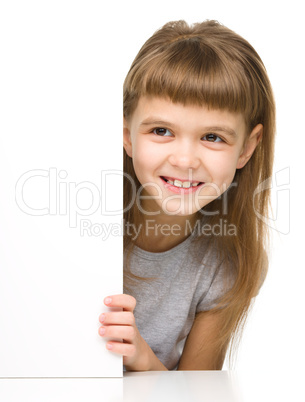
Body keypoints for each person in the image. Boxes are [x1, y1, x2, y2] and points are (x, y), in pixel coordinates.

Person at [98, 20, 276, 371]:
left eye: (213, 137)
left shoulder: (227, 266)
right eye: (161, 130)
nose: (184, 160)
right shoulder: (85, 227)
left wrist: (142, 359)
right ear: (127, 134)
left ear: (247, 148)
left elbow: (197, 391)